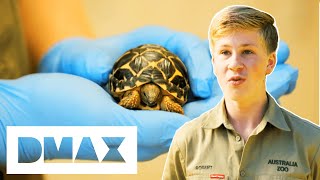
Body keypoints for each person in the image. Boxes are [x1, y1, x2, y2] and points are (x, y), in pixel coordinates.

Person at [0, 0, 297, 169]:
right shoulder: (135, 95)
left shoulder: (164, 96)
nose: (153, 97)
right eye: (149, 94)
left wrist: (60, 46)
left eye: (156, 95)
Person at [162, 5, 319, 180]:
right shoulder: (187, 140)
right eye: (225, 52)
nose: (235, 63)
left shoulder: (312, 143)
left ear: (270, 62)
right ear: (213, 62)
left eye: (247, 51)